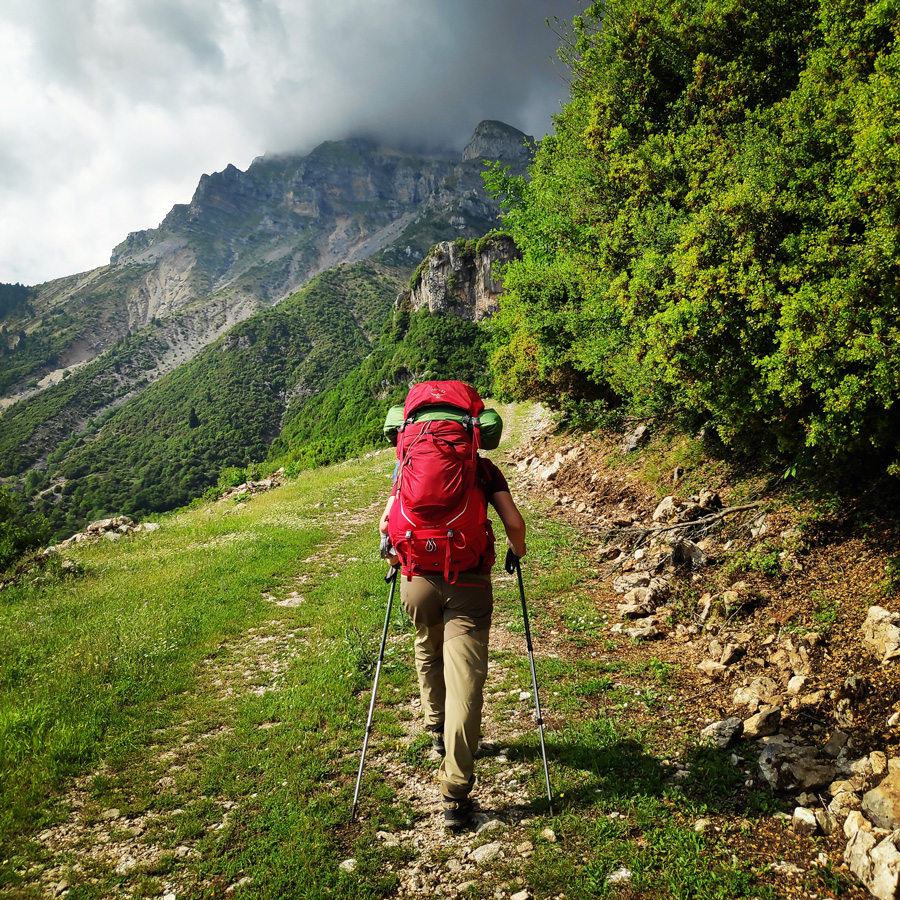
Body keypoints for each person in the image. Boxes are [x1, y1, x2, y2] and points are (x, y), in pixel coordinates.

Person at [379, 452, 526, 829]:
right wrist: (516, 550)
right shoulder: (482, 469)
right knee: (465, 680)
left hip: (417, 581)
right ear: (472, 432)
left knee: (428, 646)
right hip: (469, 582)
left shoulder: (407, 464)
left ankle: (436, 729)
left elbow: (386, 525)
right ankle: (455, 794)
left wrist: (394, 557)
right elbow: (514, 524)